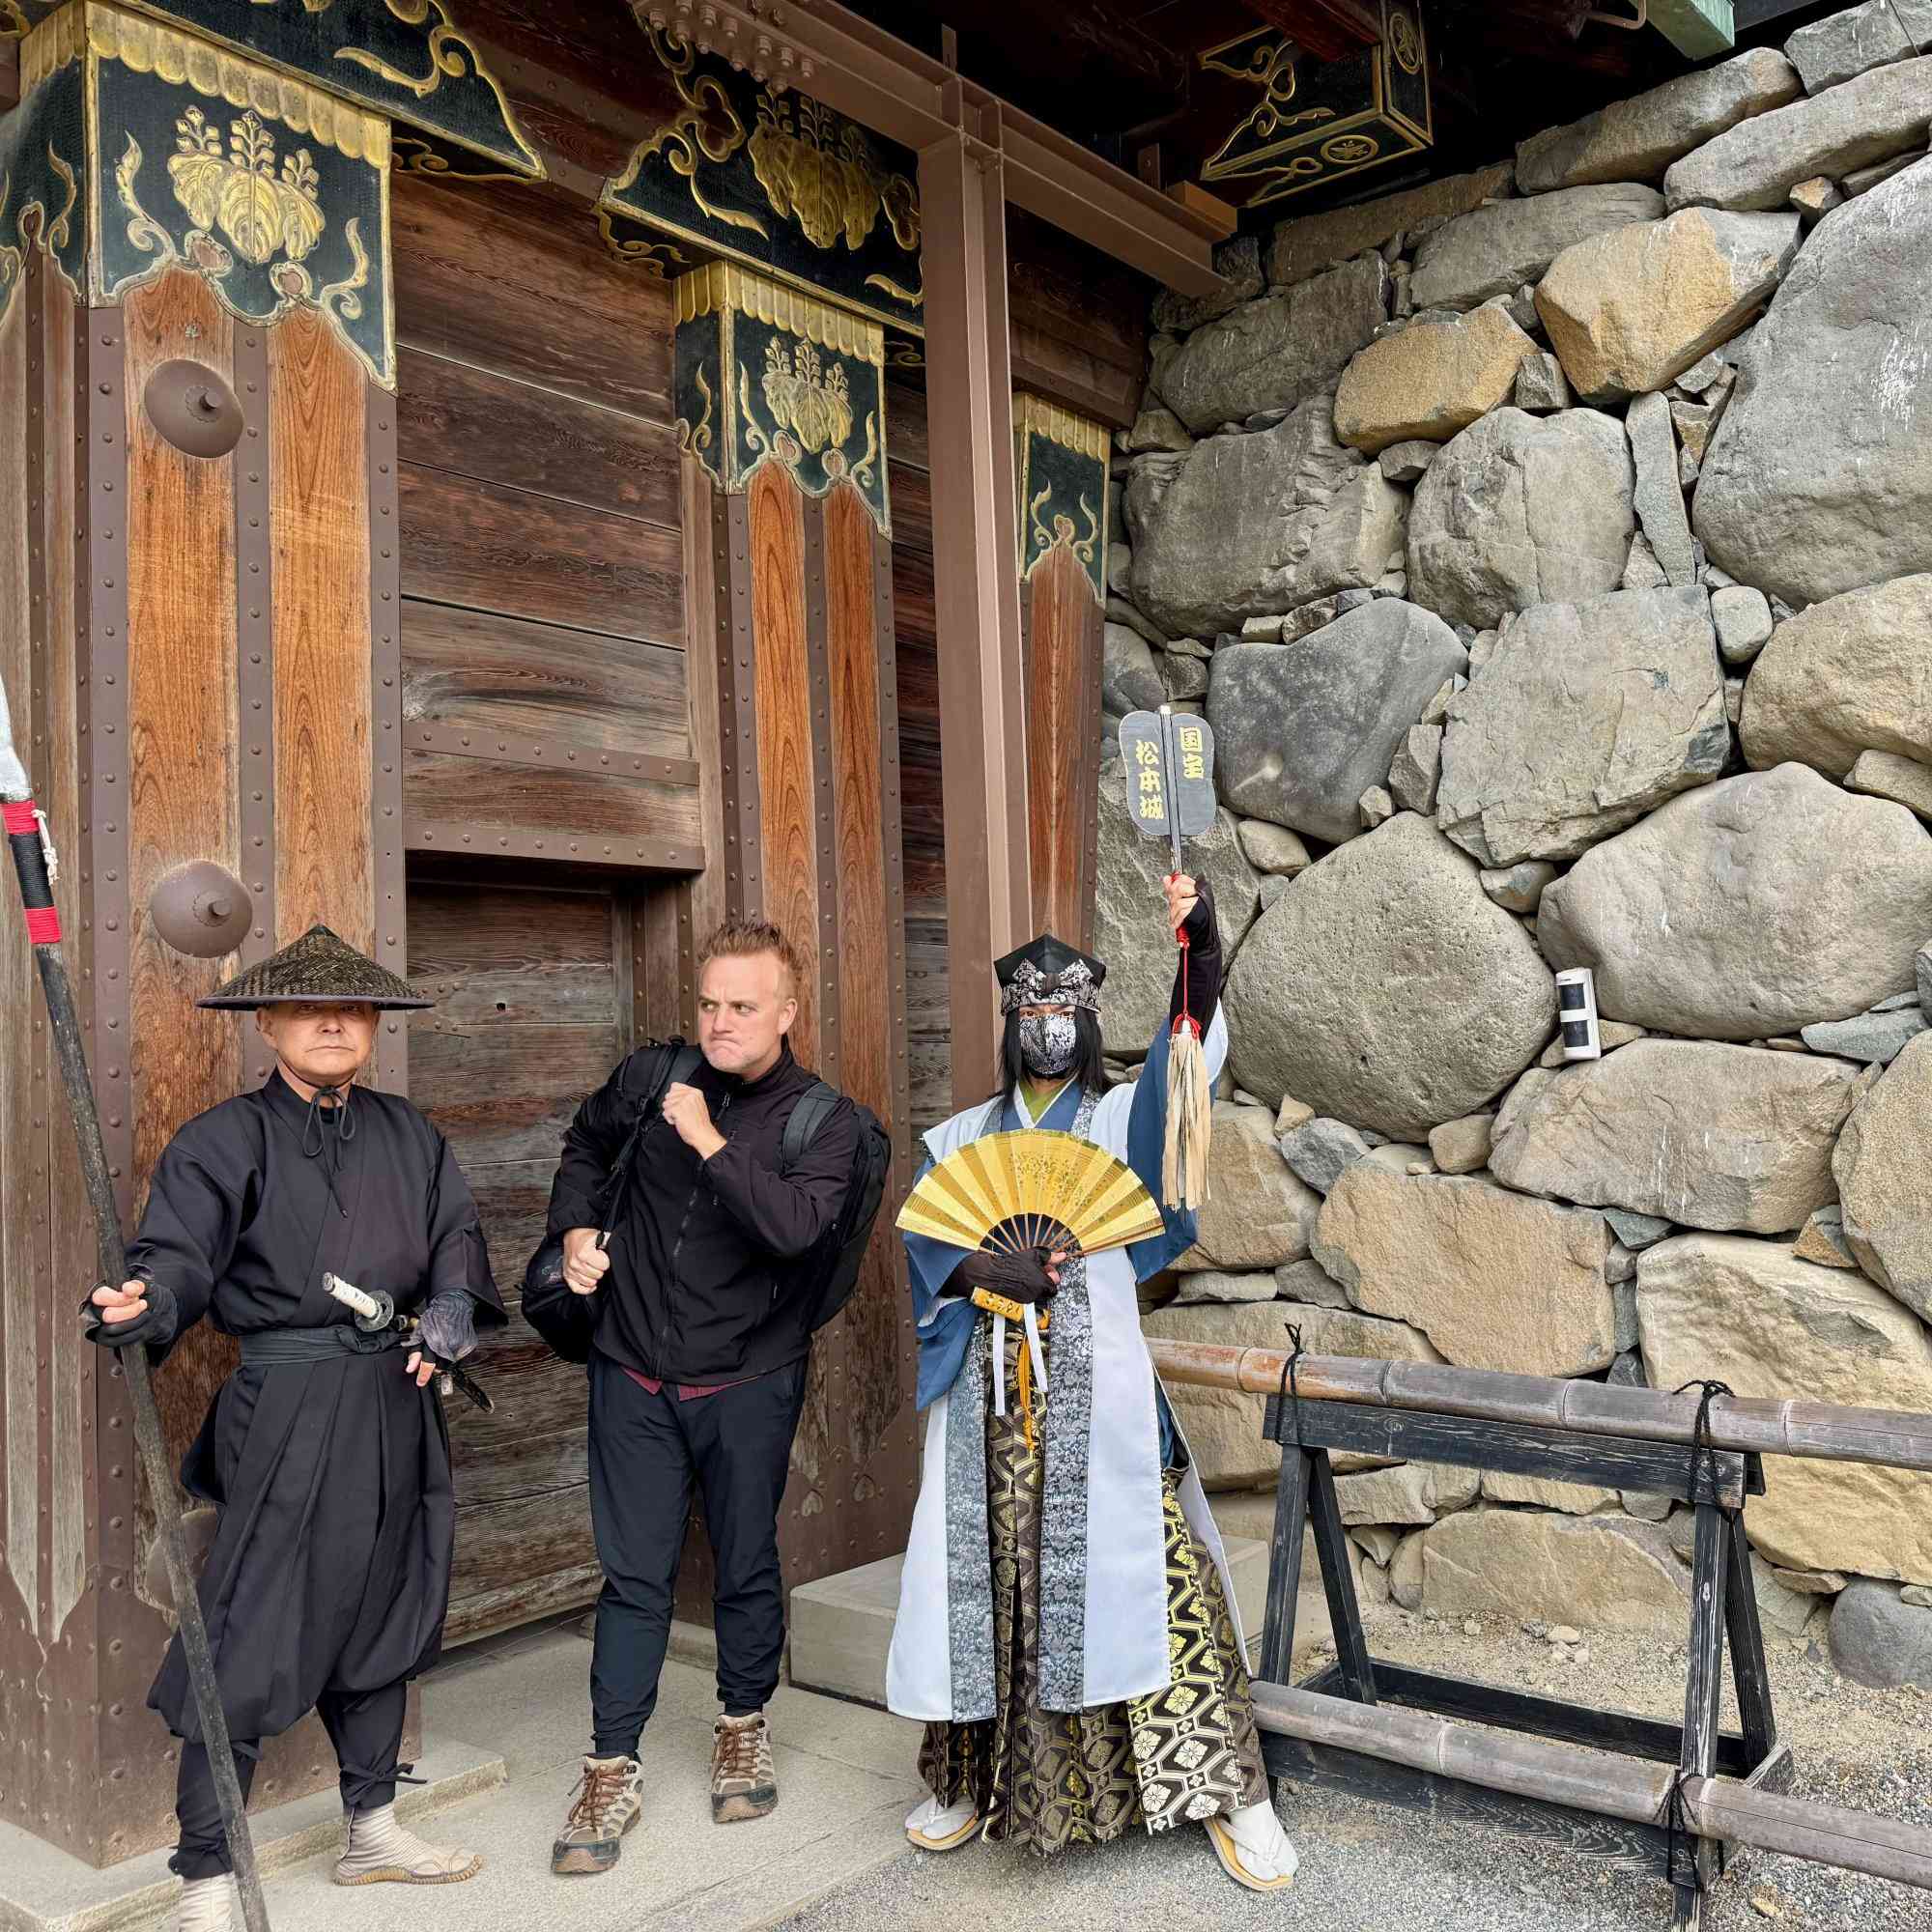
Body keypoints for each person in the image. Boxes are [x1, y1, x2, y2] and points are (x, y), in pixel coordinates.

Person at [85, 925, 504, 1932]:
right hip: (286, 1406)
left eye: (352, 1008)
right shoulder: (221, 1141)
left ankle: (373, 1829)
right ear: (267, 1024)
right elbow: (178, 1255)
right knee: (249, 1627)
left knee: (384, 1606)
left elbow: (457, 1235)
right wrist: (149, 1301)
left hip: (395, 1398)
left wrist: (452, 1309)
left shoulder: (410, 1134)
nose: (332, 1023)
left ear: (372, 1026)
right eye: (310, 1009)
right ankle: (206, 1877)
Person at [885, 874, 1298, 1892]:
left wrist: (1199, 954)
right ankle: (968, 1779)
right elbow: (927, 1249)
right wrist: (983, 1270)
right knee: (985, 1585)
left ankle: (1230, 1788)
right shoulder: (958, 1141)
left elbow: (1183, 1069)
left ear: (1088, 1019)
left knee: (1155, 1572)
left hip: (1102, 1400)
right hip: (986, 1411)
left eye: (1062, 1008)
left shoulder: (1117, 1120)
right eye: (1029, 1009)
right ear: (1010, 1022)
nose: (1046, 1025)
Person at [544, 918, 864, 1875]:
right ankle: (610, 1765)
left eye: (743, 1007)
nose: (720, 1022)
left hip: (747, 1379)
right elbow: (581, 1146)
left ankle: (742, 1724)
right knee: (633, 1574)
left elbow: (796, 1229)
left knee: (744, 1558)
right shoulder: (653, 1075)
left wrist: (709, 1139)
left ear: (787, 1012)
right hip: (632, 1369)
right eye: (710, 1003)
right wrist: (574, 1230)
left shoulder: (823, 1121)